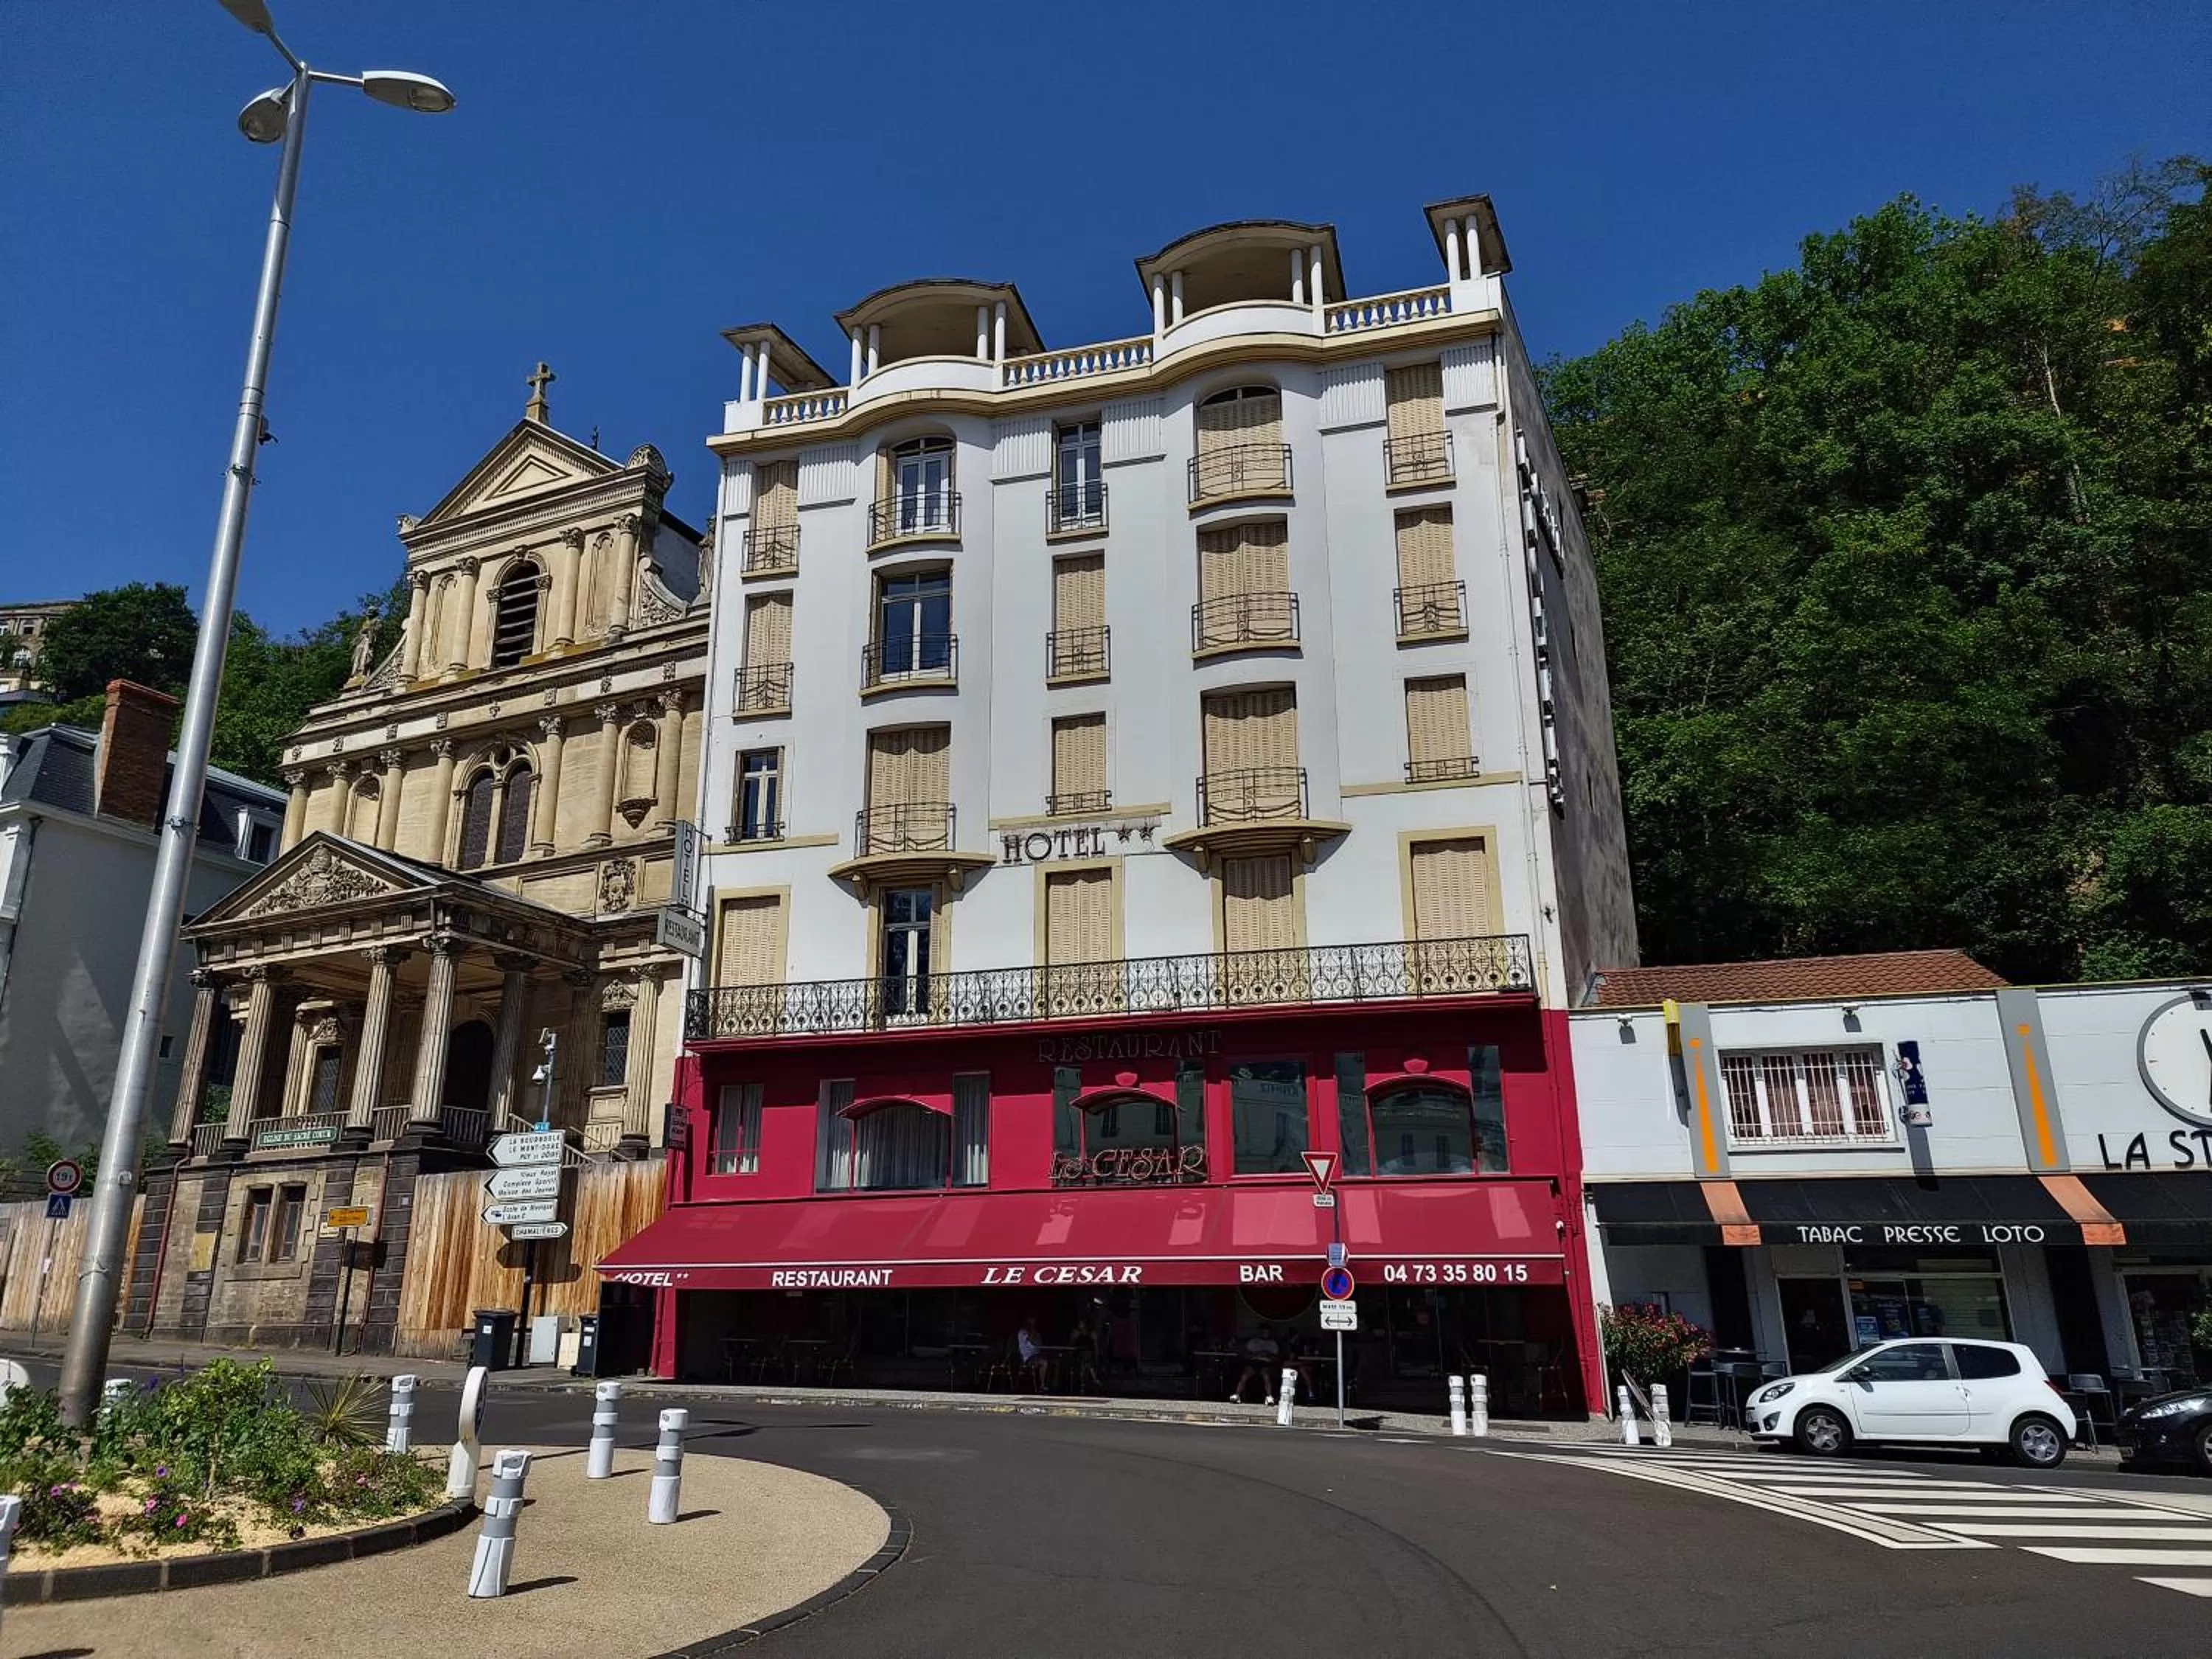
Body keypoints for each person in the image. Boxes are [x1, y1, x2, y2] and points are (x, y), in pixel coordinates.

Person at [1231, 1324, 1282, 1405]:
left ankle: (1269, 1397)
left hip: (1266, 1363)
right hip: (1253, 1362)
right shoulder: (1253, 1342)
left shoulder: (1273, 1343)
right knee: (1245, 1375)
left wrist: (1267, 1355)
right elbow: (1245, 1355)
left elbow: (1277, 1359)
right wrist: (1256, 1354)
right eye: (1264, 1332)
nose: (1265, 1334)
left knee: (1266, 1376)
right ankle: (1237, 1395)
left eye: (1267, 1332)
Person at [1017, 1318, 1053, 1391]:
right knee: (1044, 1363)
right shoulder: (1022, 1332)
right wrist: (1032, 1327)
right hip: (1028, 1358)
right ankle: (1042, 1385)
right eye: (1030, 1322)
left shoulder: (1037, 1333)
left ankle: (1052, 1385)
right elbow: (1031, 1340)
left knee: (1053, 1361)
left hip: (1037, 1355)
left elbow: (1039, 1346)